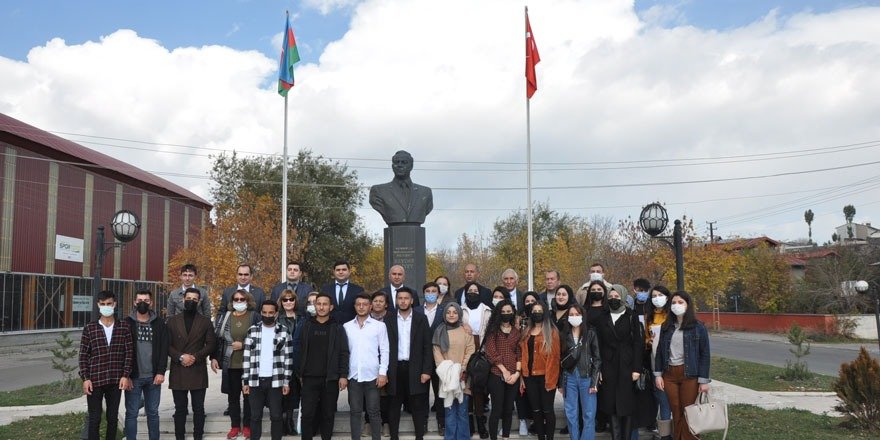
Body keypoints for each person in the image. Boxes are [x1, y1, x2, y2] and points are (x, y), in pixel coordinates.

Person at [654, 291, 711, 440]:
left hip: (689, 374)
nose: (676, 305)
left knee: (689, 412)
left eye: (680, 302)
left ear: (687, 305)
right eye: (673, 303)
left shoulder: (698, 327)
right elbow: (659, 351)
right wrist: (658, 375)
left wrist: (703, 380)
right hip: (669, 375)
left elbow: (705, 354)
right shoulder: (666, 326)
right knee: (676, 411)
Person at [293, 293, 350, 440]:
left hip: (330, 379)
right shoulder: (306, 325)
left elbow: (344, 352)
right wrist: (299, 372)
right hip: (309, 378)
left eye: (325, 304)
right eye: (319, 304)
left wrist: (343, 375)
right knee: (307, 414)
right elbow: (298, 349)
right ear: (315, 306)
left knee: (328, 414)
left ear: (330, 307)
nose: (321, 307)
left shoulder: (337, 328)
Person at [79, 290, 133, 440]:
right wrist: (85, 378)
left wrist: (125, 375)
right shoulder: (90, 328)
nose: (106, 307)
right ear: (98, 305)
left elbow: (129, 353)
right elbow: (83, 355)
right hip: (95, 380)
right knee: (94, 418)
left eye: (109, 304)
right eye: (103, 304)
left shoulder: (124, 327)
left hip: (116, 380)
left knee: (112, 418)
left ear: (114, 304)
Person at [167, 287, 216, 440]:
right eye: (189, 298)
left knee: (199, 409)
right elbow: (166, 345)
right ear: (183, 299)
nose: (191, 301)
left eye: (195, 299)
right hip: (178, 369)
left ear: (199, 301)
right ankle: (179, 437)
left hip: (197, 369)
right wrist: (181, 356)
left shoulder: (206, 322)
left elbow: (211, 344)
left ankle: (198, 436)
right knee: (180, 409)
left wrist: (194, 357)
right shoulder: (172, 321)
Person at [241, 300, 294, 440]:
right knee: (255, 416)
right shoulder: (252, 330)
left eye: (271, 312)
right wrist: (245, 381)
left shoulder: (284, 331)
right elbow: (246, 358)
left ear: (276, 313)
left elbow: (288, 359)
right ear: (261, 313)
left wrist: (286, 382)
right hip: (255, 380)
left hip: (275, 380)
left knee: (276, 416)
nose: (267, 315)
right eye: (264, 312)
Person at [596, 286, 643, 440]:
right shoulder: (603, 316)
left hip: (627, 365)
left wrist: (637, 368)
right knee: (611, 403)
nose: (613, 299)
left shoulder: (631, 315)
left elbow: (638, 343)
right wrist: (600, 368)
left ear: (622, 296)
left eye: (616, 295)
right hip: (608, 364)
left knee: (626, 404)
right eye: (611, 296)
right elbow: (599, 344)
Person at [211, 290, 259, 440]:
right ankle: (235, 426)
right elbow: (218, 339)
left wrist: (244, 345)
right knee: (232, 397)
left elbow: (260, 338)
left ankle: (247, 427)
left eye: (242, 299)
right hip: (230, 364)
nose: (239, 301)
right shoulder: (226, 317)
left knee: (248, 398)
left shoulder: (254, 316)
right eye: (236, 299)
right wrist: (214, 358)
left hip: (248, 364)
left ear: (248, 300)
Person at [386, 287, 433, 440]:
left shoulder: (421, 318)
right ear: (396, 300)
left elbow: (427, 346)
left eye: (406, 298)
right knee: (393, 405)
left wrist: (426, 370)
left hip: (416, 369)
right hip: (394, 368)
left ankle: (419, 436)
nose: (403, 301)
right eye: (400, 298)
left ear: (412, 300)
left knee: (417, 405)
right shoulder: (389, 319)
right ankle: (394, 436)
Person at [345, 293, 390, 440]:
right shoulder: (347, 327)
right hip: (353, 376)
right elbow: (344, 352)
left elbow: (384, 350)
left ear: (370, 306)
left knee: (374, 411)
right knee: (355, 412)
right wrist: (343, 375)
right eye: (359, 304)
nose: (362, 307)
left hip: (373, 376)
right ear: (355, 306)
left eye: (365, 304)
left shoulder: (379, 326)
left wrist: (383, 373)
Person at [124, 289, 168, 440]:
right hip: (133, 377)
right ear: (134, 302)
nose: (143, 303)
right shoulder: (126, 323)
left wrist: (161, 372)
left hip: (153, 376)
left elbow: (164, 349)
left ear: (151, 303)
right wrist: (126, 375)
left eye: (146, 301)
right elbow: (122, 351)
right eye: (140, 300)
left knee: (153, 413)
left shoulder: (160, 323)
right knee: (131, 413)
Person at [433, 302, 476, 440]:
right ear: (444, 314)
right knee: (449, 411)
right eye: (448, 312)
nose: (451, 315)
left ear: (459, 314)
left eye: (455, 312)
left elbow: (470, 350)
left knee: (463, 411)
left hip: (463, 377)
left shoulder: (466, 331)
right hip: (446, 377)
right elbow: (437, 353)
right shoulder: (439, 331)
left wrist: (462, 369)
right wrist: (450, 372)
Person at [519, 301, 560, 440]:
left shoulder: (552, 332)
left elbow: (554, 359)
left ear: (545, 313)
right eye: (534, 311)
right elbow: (524, 355)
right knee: (535, 410)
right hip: (530, 377)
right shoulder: (526, 332)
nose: (537, 313)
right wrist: (523, 377)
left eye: (539, 311)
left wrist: (551, 381)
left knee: (547, 410)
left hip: (546, 377)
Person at [559, 304, 600, 440]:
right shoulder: (564, 334)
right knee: (571, 413)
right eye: (571, 315)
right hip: (568, 377)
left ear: (583, 316)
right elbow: (559, 360)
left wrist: (594, 382)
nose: (574, 317)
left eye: (577, 314)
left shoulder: (590, 333)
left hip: (586, 377)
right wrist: (560, 383)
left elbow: (597, 358)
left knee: (589, 414)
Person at [484, 299, 521, 440]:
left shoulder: (517, 332)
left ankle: (506, 436)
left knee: (508, 409)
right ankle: (493, 437)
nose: (506, 314)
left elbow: (519, 353)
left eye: (509, 312)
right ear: (499, 313)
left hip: (513, 376)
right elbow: (491, 352)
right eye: (503, 312)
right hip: (496, 374)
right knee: (497, 409)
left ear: (513, 313)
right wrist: (504, 371)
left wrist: (516, 374)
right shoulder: (493, 331)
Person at [369, 150, 434, 225]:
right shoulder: (379, 191)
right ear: (392, 166)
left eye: (404, 162)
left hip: (416, 232)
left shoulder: (425, 192)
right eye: (397, 162)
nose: (400, 165)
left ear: (411, 166)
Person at [462, 282, 493, 438]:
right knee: (467, 388)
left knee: (479, 389)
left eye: (475, 291)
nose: (472, 293)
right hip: (465, 352)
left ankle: (481, 422)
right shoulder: (460, 310)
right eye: (469, 291)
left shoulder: (487, 310)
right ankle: (469, 423)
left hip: (482, 352)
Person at [420, 281, 448, 434]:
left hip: (439, 357)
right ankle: (423, 422)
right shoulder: (416, 310)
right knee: (422, 393)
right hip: (422, 358)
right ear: (423, 293)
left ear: (438, 294)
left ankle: (441, 423)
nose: (430, 293)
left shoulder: (444, 311)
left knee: (440, 393)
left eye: (433, 291)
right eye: (428, 291)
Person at [647, 285, 673, 439]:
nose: (657, 298)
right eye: (654, 295)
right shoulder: (649, 316)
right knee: (662, 398)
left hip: (674, 362)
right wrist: (649, 341)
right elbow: (646, 337)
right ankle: (665, 434)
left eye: (660, 294)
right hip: (656, 362)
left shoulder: (673, 315)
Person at [277, 289, 304, 435]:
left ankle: (291, 421)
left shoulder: (302, 318)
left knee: (295, 393)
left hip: (299, 360)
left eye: (291, 299)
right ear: (281, 302)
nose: (288, 302)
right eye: (285, 300)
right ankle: (284, 422)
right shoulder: (277, 319)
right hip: (282, 361)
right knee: (283, 394)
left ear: (295, 301)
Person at [516, 291, 540, 436]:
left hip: (538, 361)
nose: (530, 304)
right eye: (527, 301)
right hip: (522, 359)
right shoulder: (519, 319)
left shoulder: (541, 319)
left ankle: (535, 421)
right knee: (521, 393)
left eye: (533, 301)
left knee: (535, 394)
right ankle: (523, 420)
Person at [320, 260, 364, 324]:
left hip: (352, 327)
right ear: (334, 272)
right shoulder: (326, 289)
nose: (341, 272)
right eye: (338, 270)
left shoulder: (358, 290)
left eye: (344, 270)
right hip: (330, 327)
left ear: (349, 272)